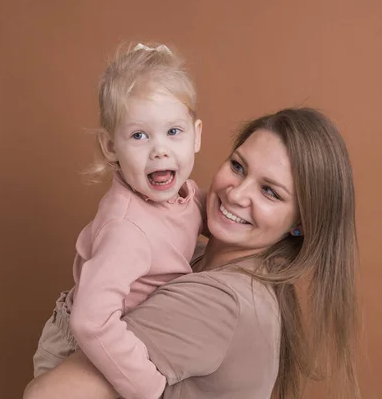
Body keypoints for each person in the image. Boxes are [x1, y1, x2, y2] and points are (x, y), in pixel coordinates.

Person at [24, 107, 360, 399]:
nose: (237, 193)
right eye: (238, 167)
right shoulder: (199, 259)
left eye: (270, 192)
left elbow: (45, 394)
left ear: (300, 224)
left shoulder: (217, 303)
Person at [31, 41, 205, 399]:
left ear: (196, 135)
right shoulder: (127, 230)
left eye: (174, 132)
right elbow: (90, 322)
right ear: (111, 147)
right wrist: (152, 389)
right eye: (139, 135)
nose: (160, 149)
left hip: (122, 334)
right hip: (82, 347)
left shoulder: (187, 195)